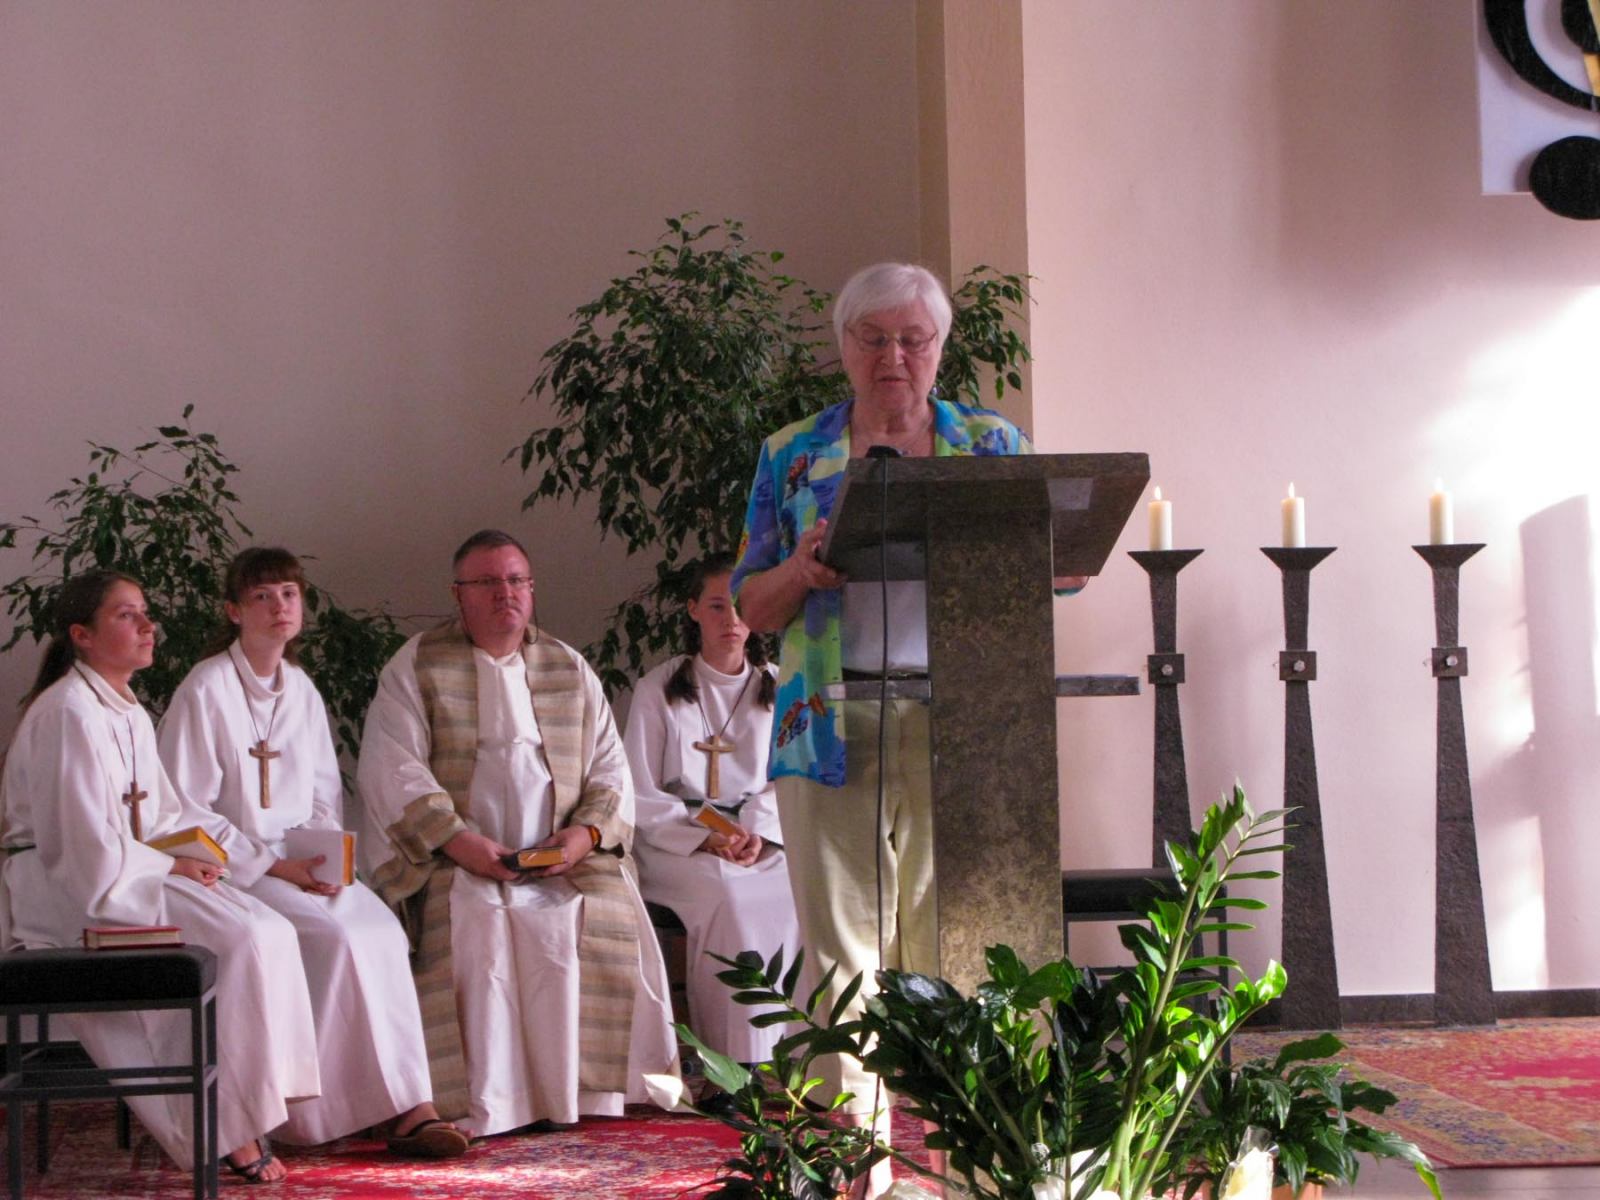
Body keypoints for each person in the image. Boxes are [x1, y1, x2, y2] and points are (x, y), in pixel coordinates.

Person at [732, 262, 1082, 1195]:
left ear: (940, 348)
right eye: (874, 337)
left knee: (957, 945)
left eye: (913, 339)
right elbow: (750, 605)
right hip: (828, 725)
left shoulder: (991, 444)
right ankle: (857, 1168)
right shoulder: (793, 453)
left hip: (965, 722)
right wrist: (802, 570)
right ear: (844, 346)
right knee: (841, 954)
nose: (894, 355)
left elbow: (1057, 570)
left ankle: (978, 1163)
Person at [356, 529, 679, 1139]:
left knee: (587, 915)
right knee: (477, 925)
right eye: (487, 582)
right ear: (458, 593)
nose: (504, 592)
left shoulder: (567, 666)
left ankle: (579, 1093)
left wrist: (581, 838)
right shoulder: (418, 664)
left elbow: (610, 766)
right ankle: (493, 1102)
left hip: (561, 857)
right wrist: (462, 844)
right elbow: (394, 767)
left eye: (516, 580)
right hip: (458, 857)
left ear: (531, 589)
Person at [0, 570, 320, 1184]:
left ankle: (253, 1105)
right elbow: (80, 846)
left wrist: (214, 858)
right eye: (127, 616)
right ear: (82, 635)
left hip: (124, 870)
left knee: (269, 927)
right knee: (237, 940)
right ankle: (223, 1126)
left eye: (145, 612)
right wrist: (172, 864)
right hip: (69, 889)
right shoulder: (69, 713)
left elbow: (166, 815)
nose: (149, 626)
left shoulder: (125, 710)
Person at [157, 548, 468, 1157]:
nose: (280, 606)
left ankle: (408, 1103)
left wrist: (323, 861)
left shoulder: (299, 688)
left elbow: (324, 792)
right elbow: (186, 807)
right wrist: (274, 865)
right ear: (234, 610)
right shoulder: (206, 688)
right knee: (332, 938)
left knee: (381, 930)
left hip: (301, 864)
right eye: (263, 595)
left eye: (290, 593)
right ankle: (315, 1112)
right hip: (237, 869)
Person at [622, 554, 798, 1073]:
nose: (731, 620)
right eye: (717, 606)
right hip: (677, 843)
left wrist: (756, 832)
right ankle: (731, 1063)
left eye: (740, 607)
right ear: (693, 609)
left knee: (797, 891)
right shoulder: (659, 689)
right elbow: (638, 789)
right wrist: (707, 836)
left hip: (759, 838)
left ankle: (793, 1056)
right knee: (729, 897)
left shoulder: (778, 685)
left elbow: (789, 780)